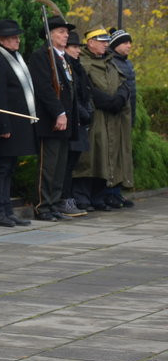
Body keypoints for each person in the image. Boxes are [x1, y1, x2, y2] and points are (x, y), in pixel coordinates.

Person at [73, 26, 133, 212]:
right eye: (102, 41)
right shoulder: (82, 62)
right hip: (95, 117)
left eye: (107, 41)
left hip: (112, 119)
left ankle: (98, 197)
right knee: (89, 158)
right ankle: (82, 197)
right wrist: (107, 101)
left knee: (107, 157)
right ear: (90, 43)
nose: (106, 44)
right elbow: (87, 89)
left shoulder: (110, 62)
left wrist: (120, 98)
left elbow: (124, 84)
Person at [0, 20, 37, 227]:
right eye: (14, 37)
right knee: (1, 168)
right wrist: (4, 125)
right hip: (6, 123)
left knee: (10, 167)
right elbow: (1, 94)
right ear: (2, 39)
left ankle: (7, 209)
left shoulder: (15, 57)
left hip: (19, 123)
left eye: (17, 37)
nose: (18, 40)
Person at [28, 15, 77, 222]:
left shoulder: (63, 58)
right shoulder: (41, 56)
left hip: (65, 121)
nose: (65, 35)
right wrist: (59, 112)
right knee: (48, 166)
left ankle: (54, 203)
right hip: (51, 120)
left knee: (59, 167)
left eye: (66, 32)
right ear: (49, 34)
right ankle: (42, 205)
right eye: (60, 32)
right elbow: (44, 89)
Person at [57, 31, 93, 217]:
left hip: (80, 120)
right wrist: (83, 112)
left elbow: (85, 92)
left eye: (79, 47)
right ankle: (64, 198)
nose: (78, 50)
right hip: (72, 120)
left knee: (71, 164)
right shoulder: (65, 66)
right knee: (66, 163)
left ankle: (67, 197)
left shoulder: (77, 67)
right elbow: (70, 95)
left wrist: (88, 111)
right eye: (74, 46)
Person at [103, 28, 137, 209]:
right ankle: (109, 193)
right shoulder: (111, 63)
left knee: (122, 156)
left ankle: (117, 192)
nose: (129, 46)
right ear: (115, 45)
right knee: (112, 155)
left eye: (130, 42)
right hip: (115, 114)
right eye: (125, 42)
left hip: (125, 114)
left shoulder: (127, 63)